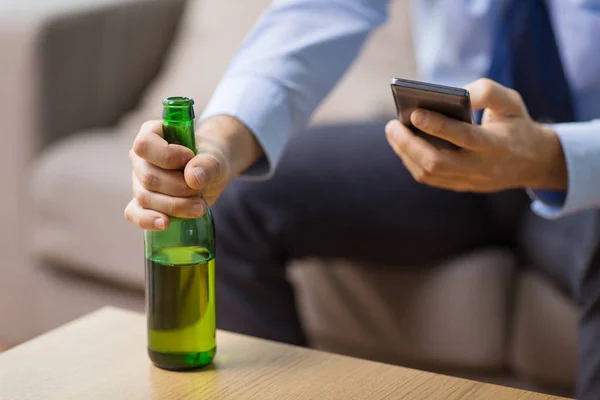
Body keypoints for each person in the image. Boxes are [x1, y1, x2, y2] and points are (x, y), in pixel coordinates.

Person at [124, 1, 600, 398]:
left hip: (586, 163)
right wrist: (219, 144)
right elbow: (324, 8)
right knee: (239, 202)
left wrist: (555, 157)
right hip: (454, 142)